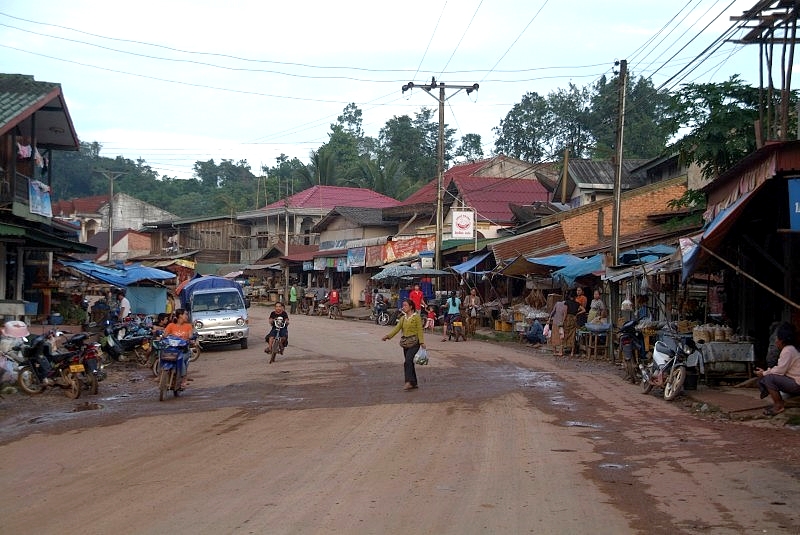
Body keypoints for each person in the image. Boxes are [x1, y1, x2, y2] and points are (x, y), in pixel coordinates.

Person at [755, 322, 800, 417]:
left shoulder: (787, 350)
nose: (776, 341)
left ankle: (779, 405)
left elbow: (780, 370)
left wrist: (764, 373)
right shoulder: (791, 349)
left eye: (777, 339)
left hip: (797, 383)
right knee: (767, 377)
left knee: (769, 379)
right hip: (795, 380)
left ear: (782, 341)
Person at [381, 298, 425, 391]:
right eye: (403, 305)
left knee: (407, 361)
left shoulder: (416, 317)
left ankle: (408, 382)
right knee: (410, 362)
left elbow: (420, 330)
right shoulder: (403, 318)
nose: (403, 307)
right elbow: (397, 329)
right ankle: (414, 382)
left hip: (414, 342)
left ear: (411, 307)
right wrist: (388, 336)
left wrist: (422, 342)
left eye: (405, 305)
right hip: (405, 343)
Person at [163, 308, 194, 388]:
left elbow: (190, 336)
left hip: (184, 350)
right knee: (163, 356)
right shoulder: (171, 325)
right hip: (172, 350)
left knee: (181, 359)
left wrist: (192, 339)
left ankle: (184, 379)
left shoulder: (188, 326)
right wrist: (161, 337)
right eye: (185, 314)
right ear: (180, 315)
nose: (187, 316)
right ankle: (161, 375)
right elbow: (165, 335)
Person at [562, 291, 580, 356]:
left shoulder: (566, 303)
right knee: (572, 335)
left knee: (565, 333)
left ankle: (562, 350)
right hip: (574, 319)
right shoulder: (577, 304)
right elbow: (583, 310)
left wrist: (563, 321)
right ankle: (572, 352)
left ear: (569, 296)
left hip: (568, 319)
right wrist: (576, 314)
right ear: (575, 297)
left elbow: (565, 312)